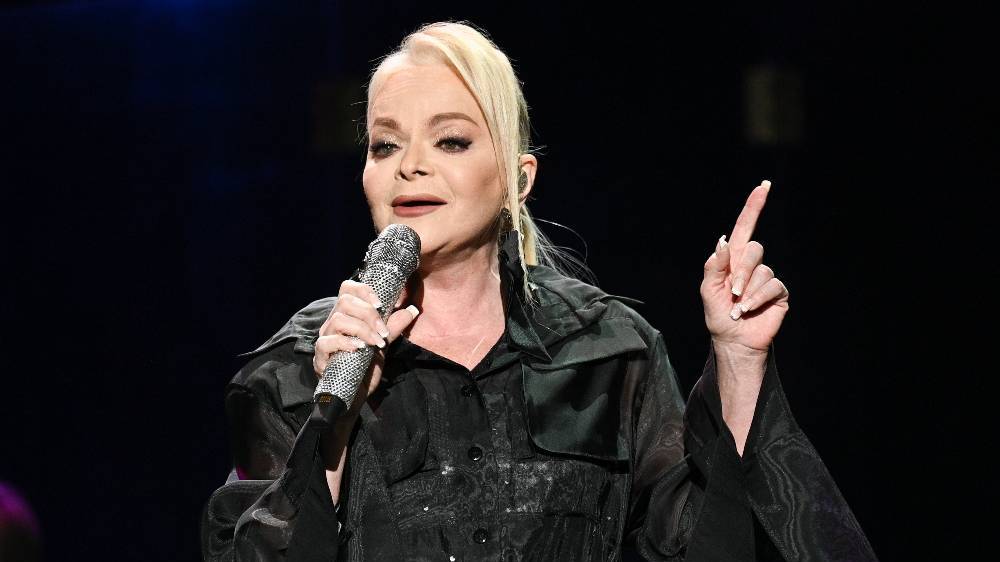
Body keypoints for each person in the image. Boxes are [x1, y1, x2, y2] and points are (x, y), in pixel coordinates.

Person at [201, 20, 877, 562]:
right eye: (385, 145)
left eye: (451, 141)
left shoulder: (607, 352)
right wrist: (333, 428)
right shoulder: (296, 370)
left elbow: (696, 544)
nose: (410, 166)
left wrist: (738, 358)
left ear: (518, 180)